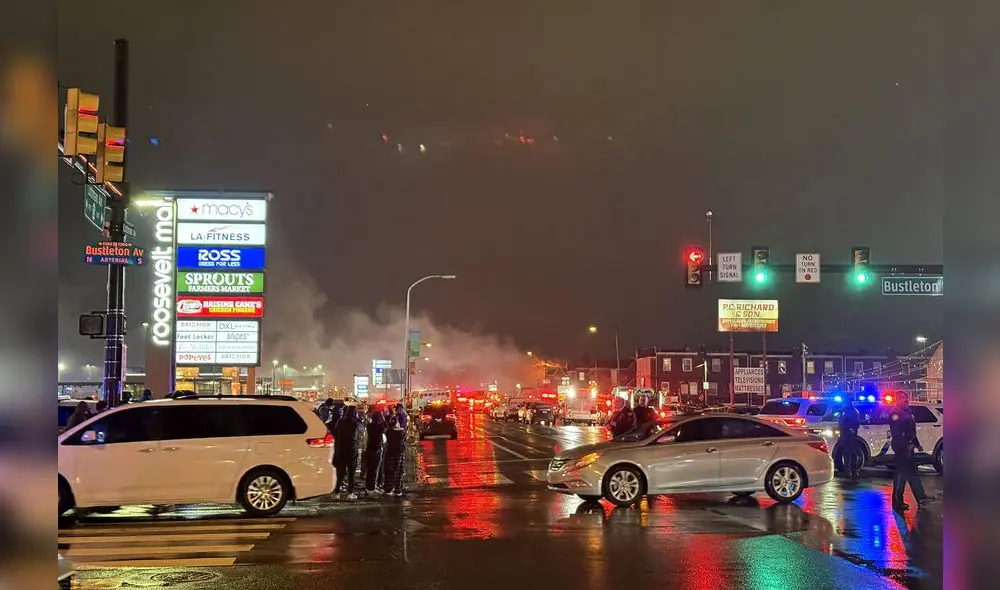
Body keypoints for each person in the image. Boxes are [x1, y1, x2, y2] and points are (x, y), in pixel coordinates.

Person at [888, 392, 932, 511]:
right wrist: (906, 445)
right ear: (897, 400)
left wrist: (917, 444)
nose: (906, 401)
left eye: (906, 398)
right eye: (903, 399)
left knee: (907, 473)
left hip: (909, 446)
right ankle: (910, 499)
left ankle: (916, 498)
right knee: (904, 474)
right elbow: (897, 434)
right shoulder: (895, 413)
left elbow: (911, 431)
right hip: (901, 447)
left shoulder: (907, 412)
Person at [334, 405, 363, 500]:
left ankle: (337, 492)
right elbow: (361, 432)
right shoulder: (356, 424)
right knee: (351, 472)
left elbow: (336, 432)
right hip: (352, 450)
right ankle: (350, 492)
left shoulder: (340, 422)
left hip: (341, 449)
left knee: (340, 472)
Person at [837, 399, 863, 478]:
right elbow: (857, 422)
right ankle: (854, 471)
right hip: (852, 434)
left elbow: (843, 422)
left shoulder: (846, 411)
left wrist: (848, 430)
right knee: (853, 453)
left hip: (847, 434)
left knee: (847, 453)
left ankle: (848, 471)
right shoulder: (854, 411)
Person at [363, 408, 387, 496]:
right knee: (375, 470)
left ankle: (369, 487)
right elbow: (387, 427)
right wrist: (383, 417)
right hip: (377, 450)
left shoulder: (369, 426)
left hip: (369, 450)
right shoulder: (380, 427)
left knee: (369, 469)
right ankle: (371, 489)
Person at [383, 414, 407, 496]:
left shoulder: (388, 432)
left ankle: (388, 489)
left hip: (390, 453)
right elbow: (404, 441)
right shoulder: (402, 431)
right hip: (399, 453)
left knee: (389, 471)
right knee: (398, 471)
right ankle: (398, 489)